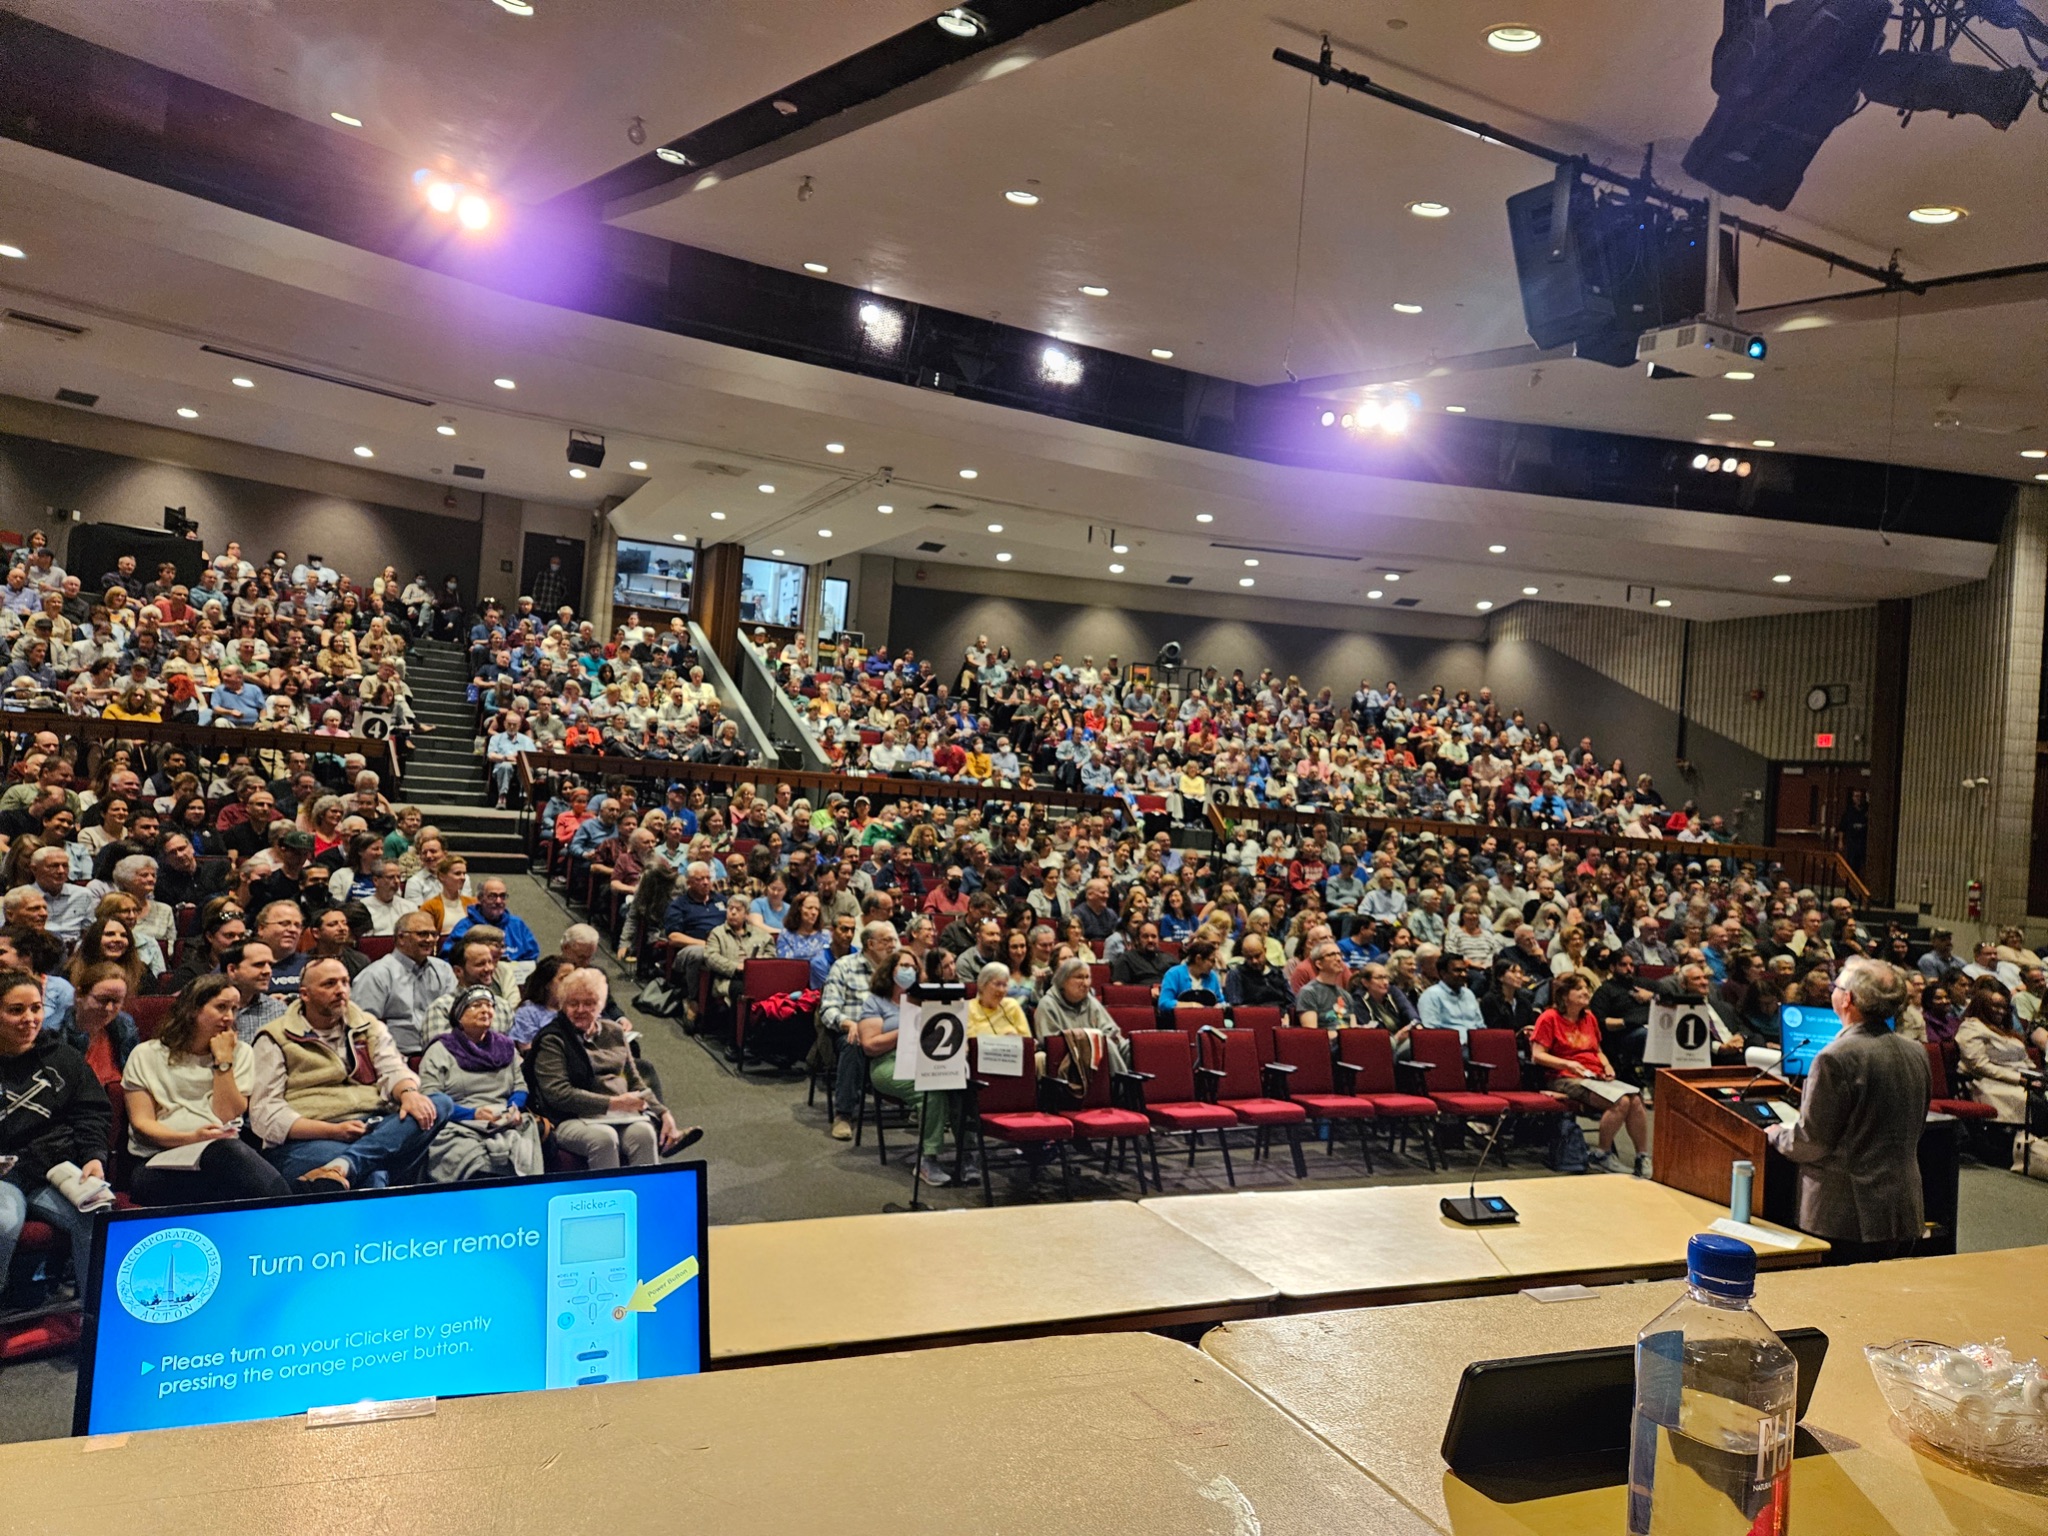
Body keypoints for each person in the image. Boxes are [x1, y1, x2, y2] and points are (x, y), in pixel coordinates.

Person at [1766, 957, 1931, 1265]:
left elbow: (1812, 1143)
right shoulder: (1916, 1052)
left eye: (1837, 985)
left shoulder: (1835, 1057)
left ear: (1848, 998)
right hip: (1902, 1208)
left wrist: (1777, 1135)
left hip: (1846, 1215)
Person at [248, 955, 451, 1191]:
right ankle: (352, 1165)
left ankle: (345, 1165)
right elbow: (266, 1113)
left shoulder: (367, 1024)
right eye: (329, 984)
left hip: (373, 1127)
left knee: (439, 1103)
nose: (341, 990)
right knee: (373, 1173)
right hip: (310, 1138)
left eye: (345, 982)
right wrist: (333, 1131)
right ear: (305, 994)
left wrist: (408, 1093)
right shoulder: (274, 1037)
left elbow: (392, 1068)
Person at [121, 975, 294, 1206]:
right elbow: (142, 1125)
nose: (229, 1017)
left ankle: (285, 1211)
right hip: (157, 1162)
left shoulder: (239, 1053)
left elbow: (226, 1115)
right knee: (230, 1160)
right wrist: (192, 1138)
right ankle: (290, 1211)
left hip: (222, 1158)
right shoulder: (146, 1054)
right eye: (221, 1007)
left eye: (234, 1008)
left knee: (229, 1168)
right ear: (192, 1009)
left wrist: (223, 1061)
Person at [525, 968, 693, 1167]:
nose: (580, 1009)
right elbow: (558, 1094)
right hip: (568, 1117)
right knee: (604, 1139)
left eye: (589, 1003)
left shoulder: (614, 1031)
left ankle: (646, 1195)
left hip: (619, 1114)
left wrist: (663, 1113)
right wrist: (615, 1103)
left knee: (644, 1133)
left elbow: (635, 1082)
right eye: (573, 1003)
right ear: (562, 1005)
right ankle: (608, 1198)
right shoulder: (552, 1039)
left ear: (601, 1005)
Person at [416, 985, 543, 1181]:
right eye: (476, 1005)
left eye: (489, 1005)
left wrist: (514, 1108)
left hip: (504, 1121)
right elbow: (431, 1098)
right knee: (477, 1161)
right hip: (458, 1123)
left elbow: (520, 1086)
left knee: (522, 1151)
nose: (485, 1010)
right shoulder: (440, 1049)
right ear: (459, 1017)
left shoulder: (506, 1047)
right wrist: (473, 1114)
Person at [1530, 972, 1651, 1176]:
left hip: (1594, 1075)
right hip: (1563, 1077)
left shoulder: (1590, 1018)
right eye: (1578, 988)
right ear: (1564, 994)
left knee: (1636, 1099)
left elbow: (1597, 1051)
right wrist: (1568, 1063)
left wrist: (1607, 1066)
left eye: (1587, 988)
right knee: (1620, 1101)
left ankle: (1642, 1156)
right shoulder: (1549, 1018)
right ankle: (1602, 1154)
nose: (1585, 992)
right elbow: (1537, 1055)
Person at [854, 945, 956, 1187]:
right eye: (904, 966)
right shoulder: (875, 1002)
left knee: (961, 1086)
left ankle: (968, 1154)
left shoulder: (925, 999)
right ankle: (927, 1160)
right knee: (929, 1090)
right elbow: (869, 1045)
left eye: (914, 967)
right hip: (888, 1063)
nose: (910, 970)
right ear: (891, 970)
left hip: (926, 1059)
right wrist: (906, 1031)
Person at [351, 912, 456, 1057]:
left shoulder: (443, 970)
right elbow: (362, 1027)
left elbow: (456, 1014)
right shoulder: (376, 975)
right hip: (396, 1057)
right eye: (423, 934)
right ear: (401, 938)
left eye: (434, 934)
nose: (430, 940)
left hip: (446, 1052)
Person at [1953, 978, 2041, 1127]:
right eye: (1995, 1006)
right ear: (1982, 1006)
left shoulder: (2006, 1032)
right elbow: (1979, 1065)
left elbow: (2025, 1061)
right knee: (2037, 1103)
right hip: (1990, 1084)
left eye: (2004, 1007)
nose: (2001, 1011)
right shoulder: (1971, 1028)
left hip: (2022, 1082)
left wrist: (2038, 1077)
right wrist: (2018, 1078)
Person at [1031, 956, 1132, 1071]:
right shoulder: (1048, 1004)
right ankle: (1123, 1086)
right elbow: (1050, 1043)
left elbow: (1110, 1029)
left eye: (1087, 977)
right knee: (1106, 1045)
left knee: (1133, 1047)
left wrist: (1107, 1038)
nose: (1085, 983)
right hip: (1069, 1058)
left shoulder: (1090, 1001)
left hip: (1098, 1051)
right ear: (1063, 981)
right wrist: (1089, 1042)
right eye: (1079, 977)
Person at [967, 964, 1031, 1037]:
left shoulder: (1012, 1005)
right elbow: (971, 1043)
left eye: (1005, 985)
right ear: (983, 984)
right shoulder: (969, 1008)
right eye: (997, 984)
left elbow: (1027, 1040)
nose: (1001, 990)